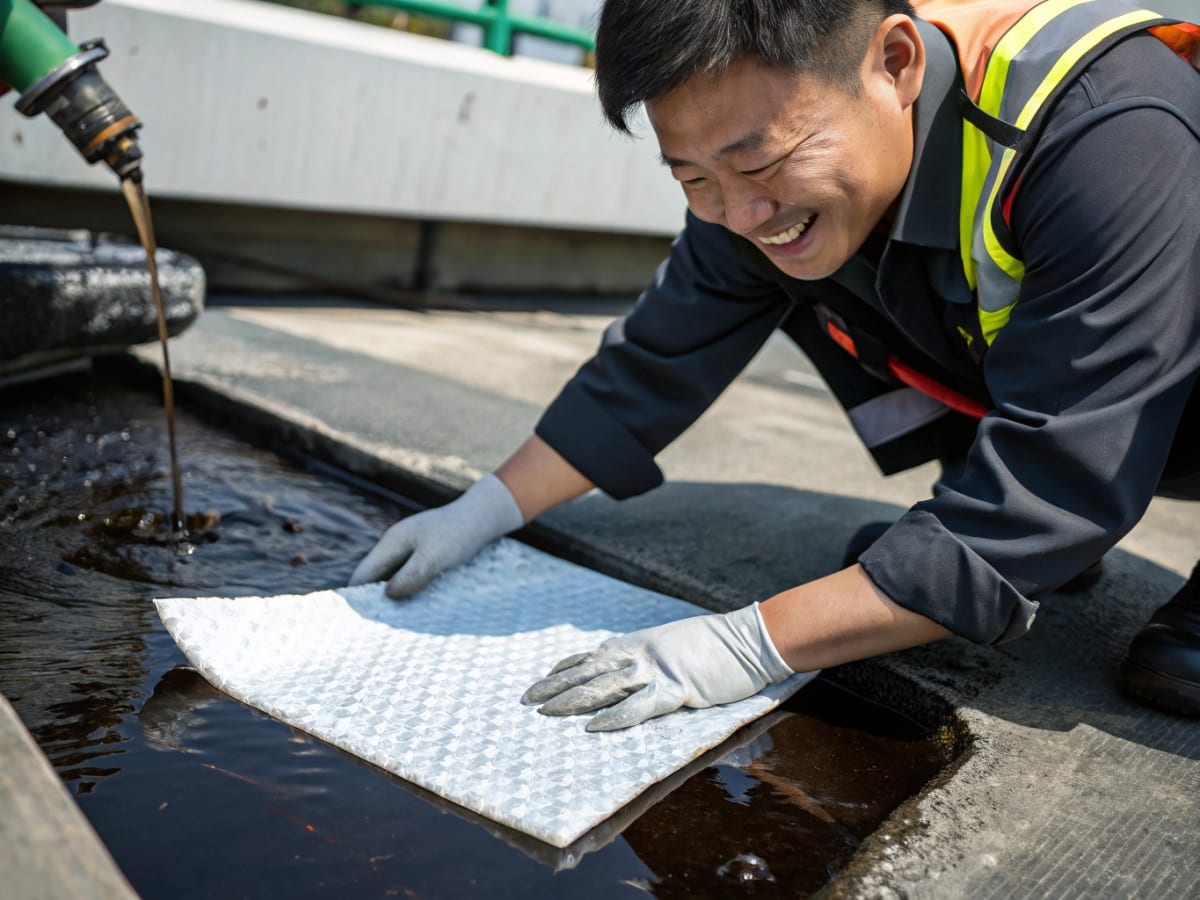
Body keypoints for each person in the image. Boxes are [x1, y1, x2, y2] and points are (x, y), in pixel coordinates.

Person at [352, 0, 1200, 727]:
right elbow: (657, 359)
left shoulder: (1105, 130)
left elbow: (1062, 478)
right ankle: (969, 535)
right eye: (694, 177)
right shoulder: (754, 199)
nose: (741, 210)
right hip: (1061, 378)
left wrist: (747, 644)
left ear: (894, 65)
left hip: (1170, 389)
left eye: (760, 162)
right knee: (804, 264)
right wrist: (482, 510)